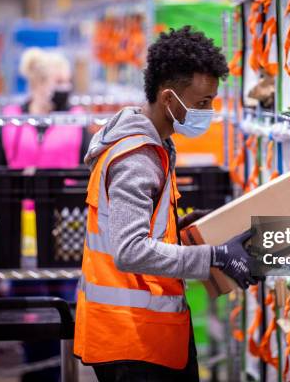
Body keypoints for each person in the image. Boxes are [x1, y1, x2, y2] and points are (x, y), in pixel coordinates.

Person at [74, 26, 260, 382]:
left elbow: (142, 226)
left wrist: (182, 227)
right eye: (202, 102)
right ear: (169, 98)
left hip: (144, 334)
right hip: (131, 340)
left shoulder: (155, 145)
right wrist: (215, 257)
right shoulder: (137, 158)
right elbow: (129, 250)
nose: (209, 111)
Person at [0, 48, 89, 382]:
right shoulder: (11, 118)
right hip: (23, 230)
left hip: (67, 226)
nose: (66, 87)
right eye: (59, 81)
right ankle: (35, 370)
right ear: (39, 83)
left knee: (67, 304)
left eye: (68, 81)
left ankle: (60, 371)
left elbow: (90, 169)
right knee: (28, 307)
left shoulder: (77, 118)